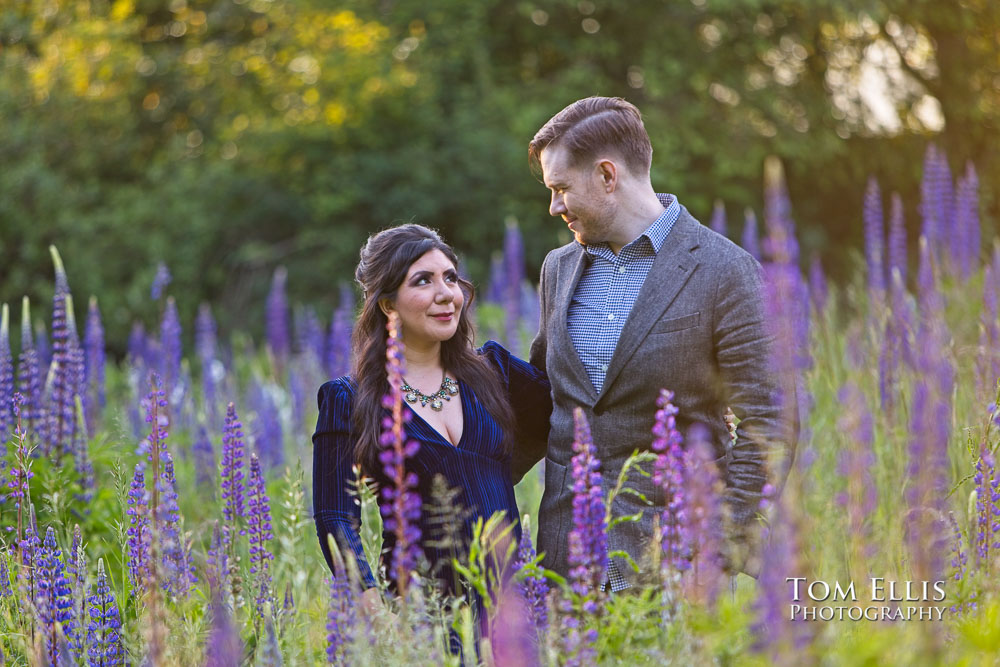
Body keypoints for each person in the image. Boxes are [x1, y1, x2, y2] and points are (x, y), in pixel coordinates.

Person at [526, 96, 795, 590]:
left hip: (673, 567)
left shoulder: (725, 271)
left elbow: (769, 420)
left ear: (608, 176)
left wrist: (718, 544)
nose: (554, 206)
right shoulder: (557, 270)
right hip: (567, 566)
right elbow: (547, 400)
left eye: (561, 188)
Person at [312, 224, 551, 618]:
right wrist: (380, 615)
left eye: (451, 278)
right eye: (423, 281)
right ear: (388, 304)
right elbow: (336, 517)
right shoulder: (349, 399)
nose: (446, 295)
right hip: (425, 617)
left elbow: (574, 417)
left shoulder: (495, 371)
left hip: (512, 616)